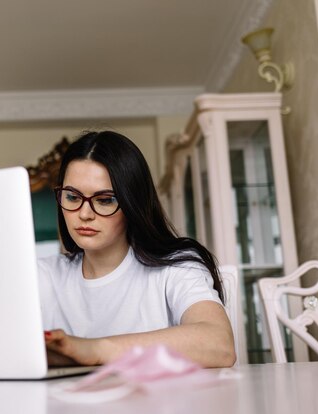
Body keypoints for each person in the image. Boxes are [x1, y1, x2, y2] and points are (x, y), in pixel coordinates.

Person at [38, 130, 236, 368]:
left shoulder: (177, 268)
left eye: (105, 200)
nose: (84, 213)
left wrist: (93, 349)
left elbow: (219, 345)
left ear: (133, 203)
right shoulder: (44, 275)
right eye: (72, 197)